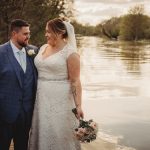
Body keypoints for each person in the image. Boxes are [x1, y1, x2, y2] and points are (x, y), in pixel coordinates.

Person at [28, 18, 84, 150]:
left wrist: (79, 106)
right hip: (41, 98)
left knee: (58, 131)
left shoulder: (71, 53)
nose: (45, 34)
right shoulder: (43, 47)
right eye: (45, 31)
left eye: (48, 32)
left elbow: (75, 81)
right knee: (42, 129)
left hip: (61, 100)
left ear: (60, 33)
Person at [0, 19, 38, 150]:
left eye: (29, 33)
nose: (28, 36)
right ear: (14, 34)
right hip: (4, 115)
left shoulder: (34, 52)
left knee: (22, 147)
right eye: (25, 34)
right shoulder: (1, 53)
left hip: (26, 114)